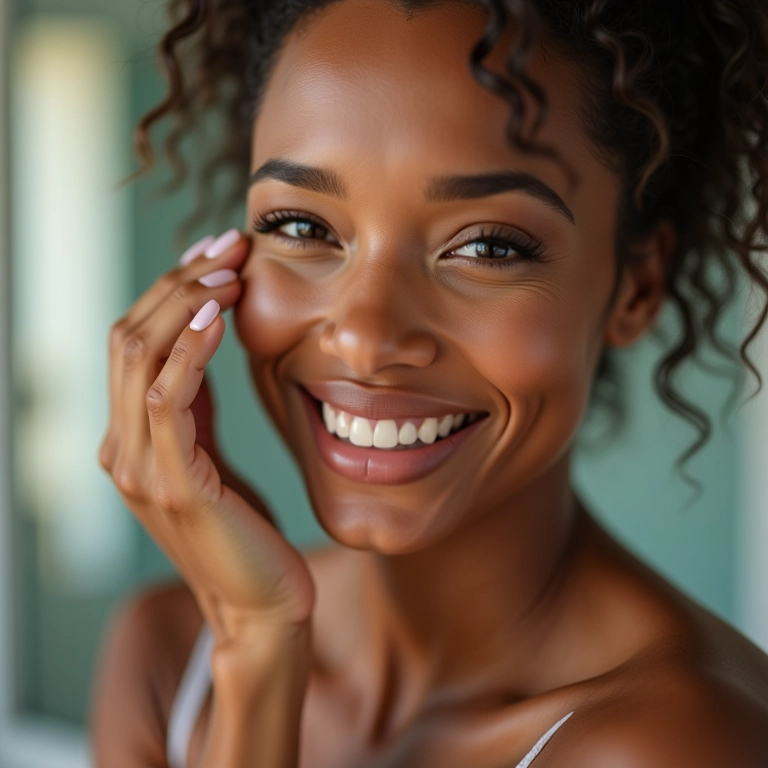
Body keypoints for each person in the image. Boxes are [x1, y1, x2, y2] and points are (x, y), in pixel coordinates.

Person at [89, 0, 768, 765]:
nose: (367, 339)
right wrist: (255, 645)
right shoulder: (167, 653)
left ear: (636, 286)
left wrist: (256, 655)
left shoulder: (678, 742)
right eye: (303, 228)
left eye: (487, 246)